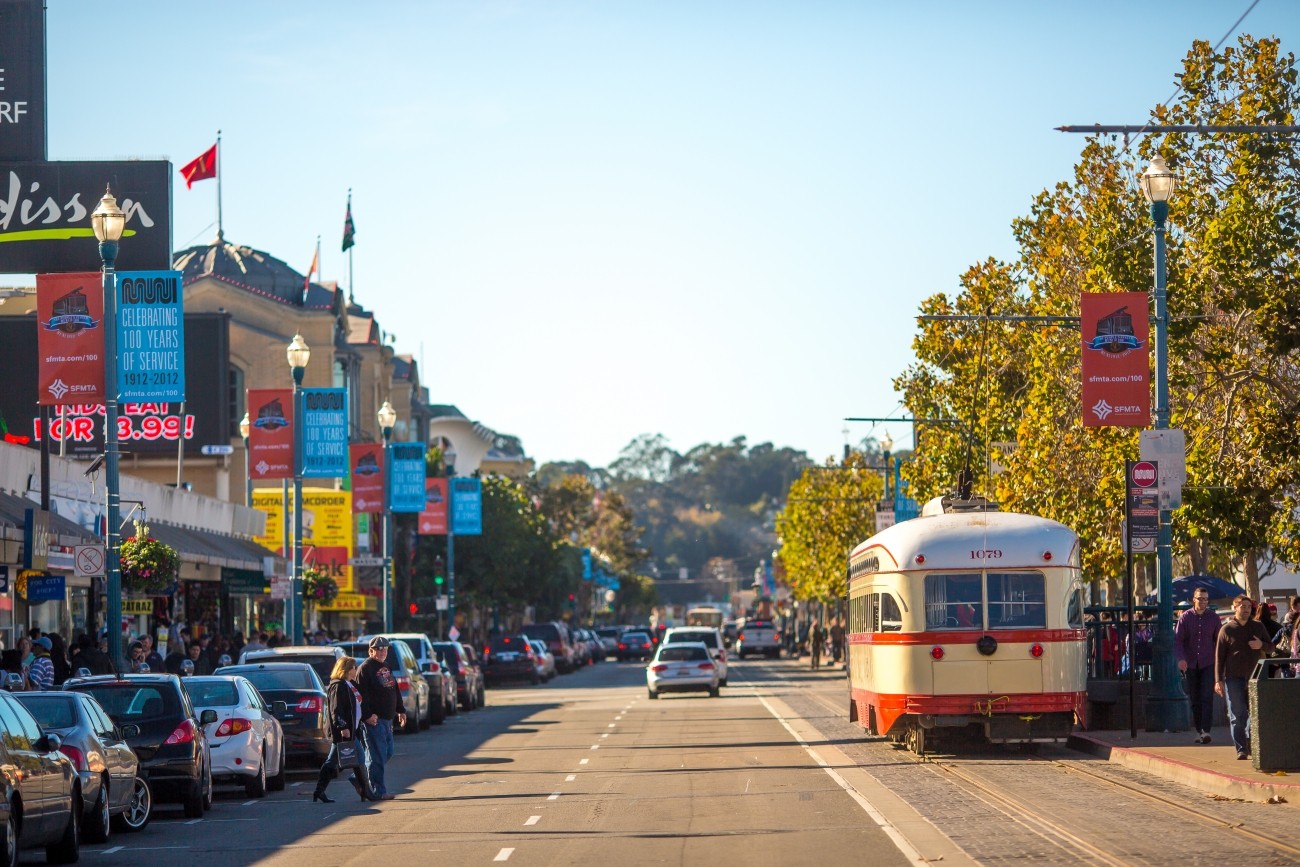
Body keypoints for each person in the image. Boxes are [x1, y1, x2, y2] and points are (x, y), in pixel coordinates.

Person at [1215, 594, 1274, 760]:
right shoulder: (1226, 630)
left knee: (1254, 713)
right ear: (1235, 608)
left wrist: (1261, 645)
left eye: (1249, 607)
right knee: (1237, 714)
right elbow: (1219, 657)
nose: (1246, 610)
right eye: (1243, 606)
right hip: (1233, 677)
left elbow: (1271, 647)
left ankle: (1251, 742)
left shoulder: (1258, 626)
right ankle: (1241, 748)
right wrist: (1218, 680)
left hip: (1255, 677)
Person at [315, 657, 376, 803]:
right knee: (359, 758)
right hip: (344, 732)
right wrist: (343, 727)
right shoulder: (338, 685)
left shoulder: (350, 684)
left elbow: (357, 705)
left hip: (352, 729)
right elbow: (336, 710)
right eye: (354, 667)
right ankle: (366, 792)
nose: (356, 670)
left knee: (332, 762)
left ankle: (319, 791)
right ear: (346, 670)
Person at [356, 636, 406, 800]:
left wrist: (400, 709)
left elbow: (394, 689)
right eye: (378, 649)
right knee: (377, 755)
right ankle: (379, 791)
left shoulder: (386, 666)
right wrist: (367, 715)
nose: (382, 652)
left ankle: (361, 779)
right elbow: (360, 696)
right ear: (371, 651)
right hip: (374, 721)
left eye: (385, 649)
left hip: (387, 719)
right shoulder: (365, 668)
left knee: (388, 752)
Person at [1175, 588, 1221, 743]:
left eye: (1205, 599)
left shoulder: (1214, 618)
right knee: (1195, 698)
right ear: (1193, 599)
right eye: (1200, 598)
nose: (1203, 602)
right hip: (1191, 663)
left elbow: (1219, 641)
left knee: (1207, 697)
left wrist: (1220, 661)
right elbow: (1178, 641)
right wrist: (1181, 659)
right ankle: (1198, 729)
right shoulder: (1185, 618)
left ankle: (1206, 731)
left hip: (1209, 662)